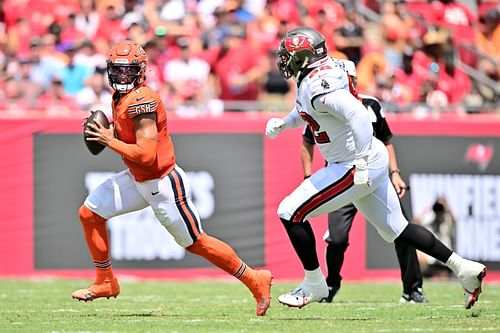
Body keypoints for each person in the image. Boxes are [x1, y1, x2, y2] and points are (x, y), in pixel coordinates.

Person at [265, 27, 486, 310]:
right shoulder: (326, 71)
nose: (285, 60)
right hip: (372, 156)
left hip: (351, 164)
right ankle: (464, 268)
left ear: (306, 56)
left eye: (291, 55)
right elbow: (310, 111)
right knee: (397, 229)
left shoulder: (318, 86)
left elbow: (355, 114)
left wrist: (359, 162)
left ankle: (314, 283)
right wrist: (285, 123)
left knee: (289, 211)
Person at [72, 40, 272, 316]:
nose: (121, 76)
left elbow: (145, 154)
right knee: (90, 214)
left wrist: (108, 139)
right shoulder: (120, 98)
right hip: (136, 178)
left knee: (195, 242)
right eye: (116, 70)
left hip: (162, 182)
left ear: (140, 71)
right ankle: (106, 280)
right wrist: (113, 135)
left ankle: (254, 278)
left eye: (127, 70)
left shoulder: (144, 101)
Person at [300, 59, 427, 304]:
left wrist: (395, 172)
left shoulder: (370, 105)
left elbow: (386, 139)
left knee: (402, 230)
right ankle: (331, 283)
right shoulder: (322, 105)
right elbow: (307, 141)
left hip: (374, 178)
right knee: (336, 239)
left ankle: (413, 288)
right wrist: (308, 177)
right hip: (340, 181)